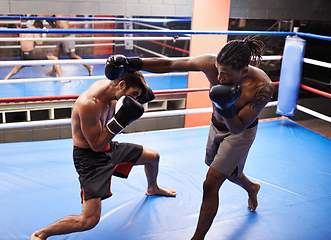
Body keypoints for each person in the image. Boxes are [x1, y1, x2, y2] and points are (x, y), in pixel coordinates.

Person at [104, 36, 274, 239]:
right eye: (218, 70)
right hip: (216, 125)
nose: (219, 77)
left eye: (226, 74)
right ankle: (252, 187)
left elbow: (238, 128)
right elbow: (171, 63)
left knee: (211, 183)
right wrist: (132, 63)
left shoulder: (262, 87)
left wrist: (225, 107)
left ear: (243, 71)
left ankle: (197, 237)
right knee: (225, 171)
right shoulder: (212, 64)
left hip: (240, 133)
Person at [30, 71, 176, 240]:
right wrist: (120, 122)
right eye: (134, 94)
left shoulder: (115, 91)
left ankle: (152, 188)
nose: (135, 100)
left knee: (153, 157)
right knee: (89, 220)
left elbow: (105, 139)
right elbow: (96, 144)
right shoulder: (89, 104)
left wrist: (138, 95)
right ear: (121, 85)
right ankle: (41, 234)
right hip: (90, 158)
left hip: (108, 147)